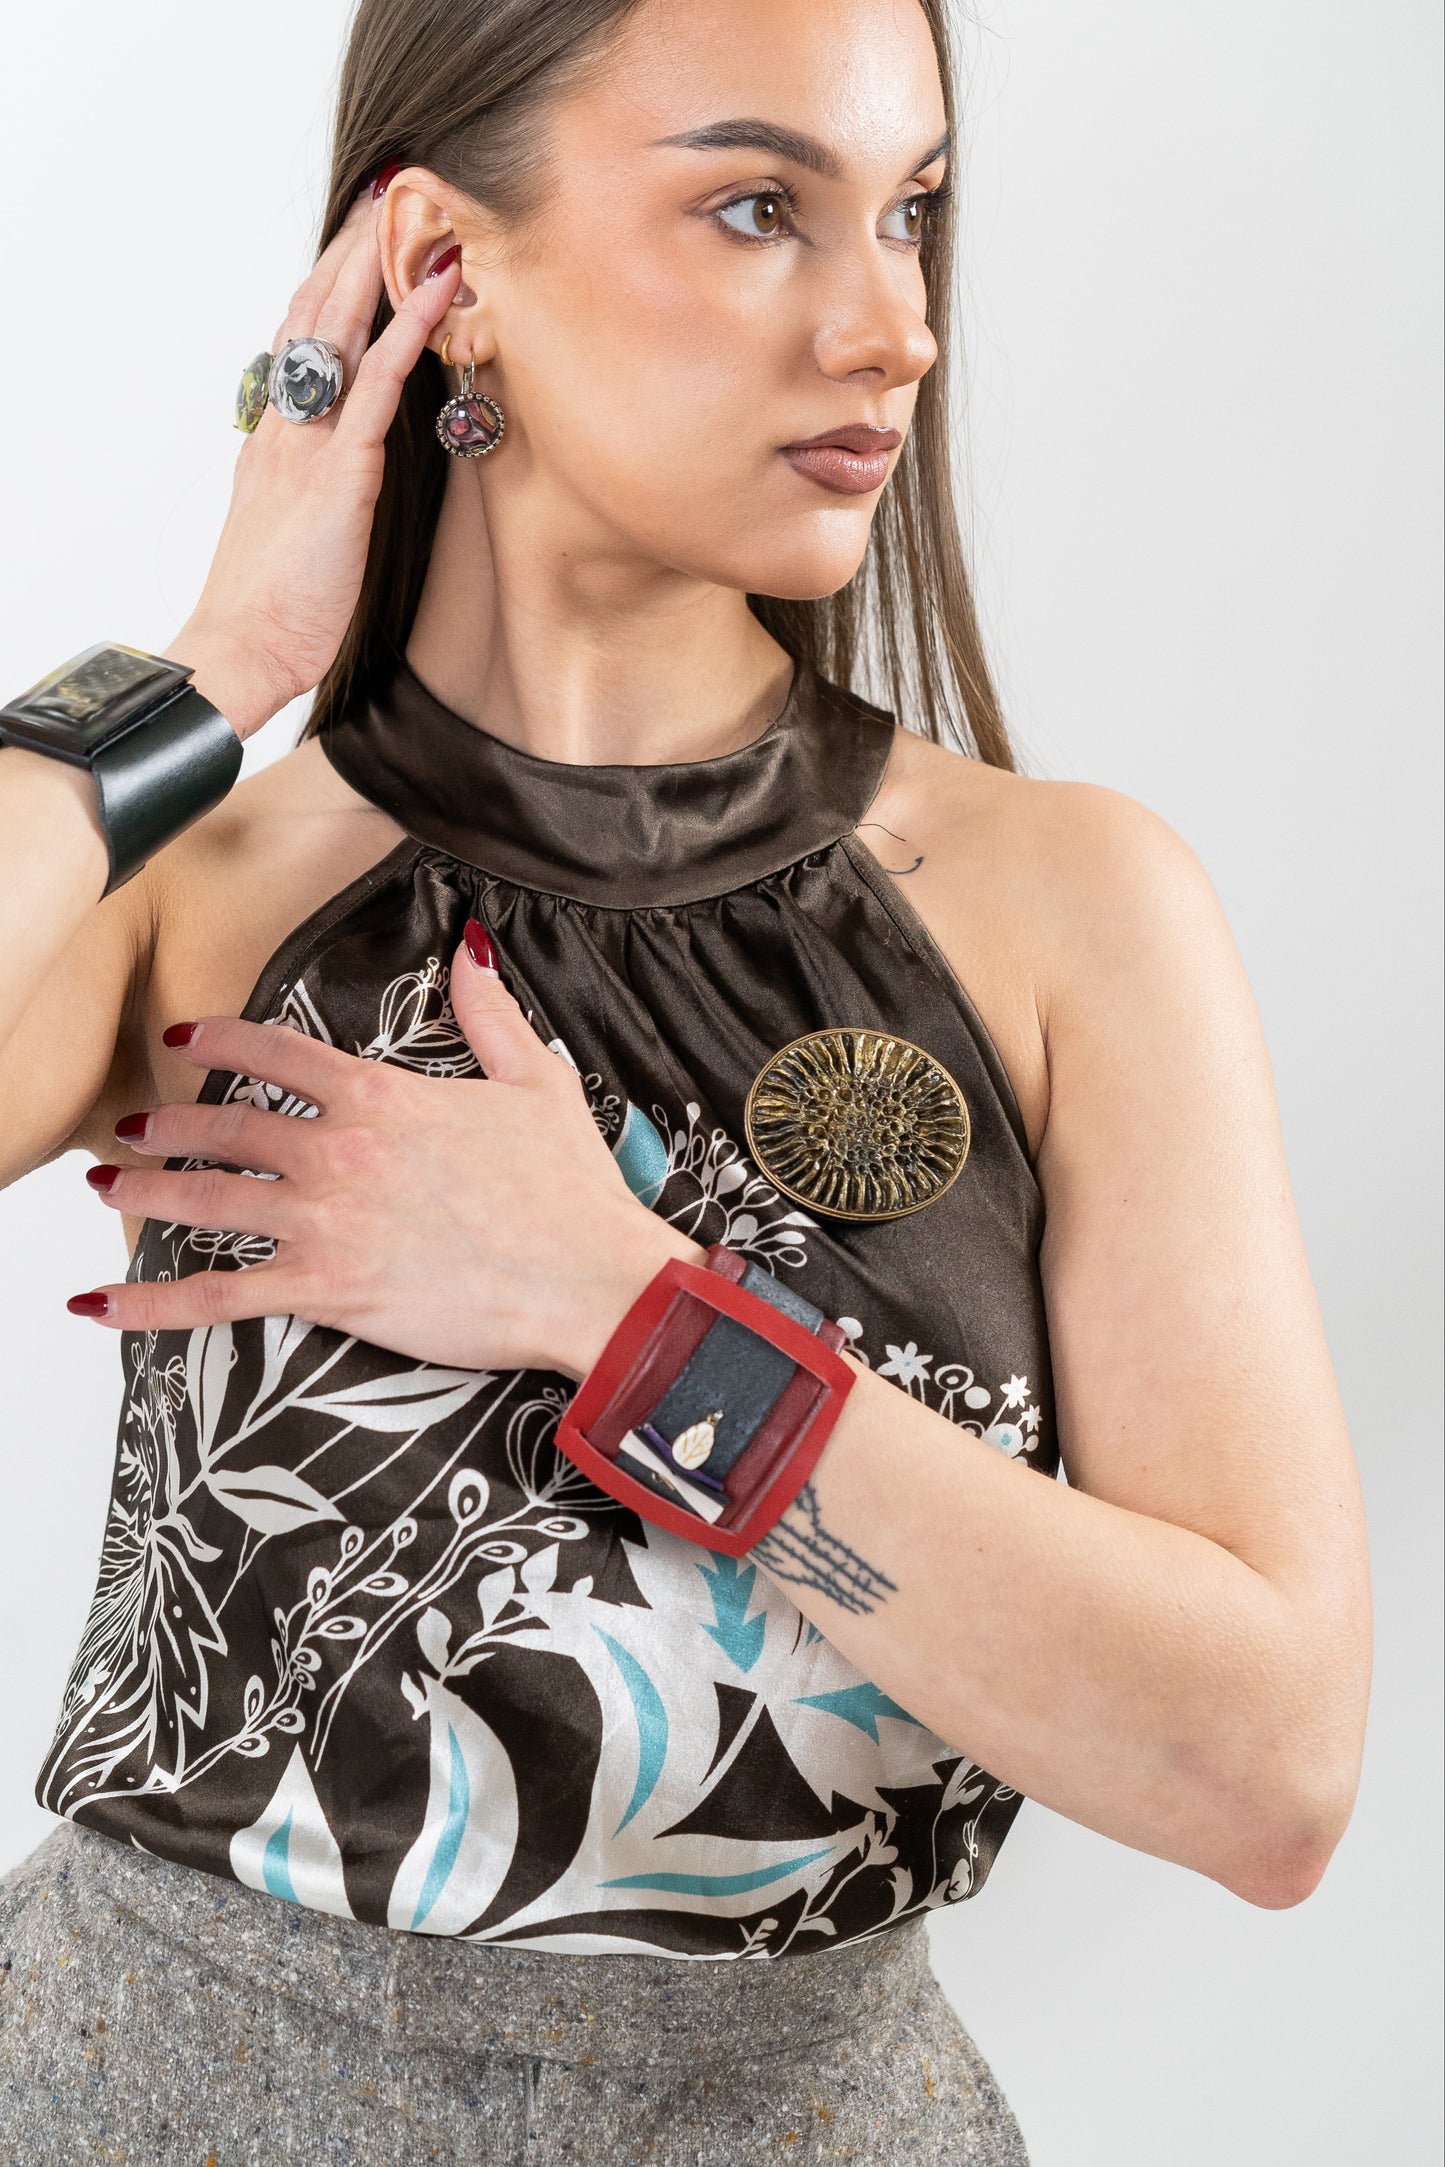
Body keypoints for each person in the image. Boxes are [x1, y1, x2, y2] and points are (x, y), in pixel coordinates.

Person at [0, 0, 1373, 2159]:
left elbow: (1268, 1774)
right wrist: (213, 669)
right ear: (443, 267)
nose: (894, 326)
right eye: (761, 208)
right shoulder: (205, 881)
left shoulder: (1062, 909)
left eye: (912, 214)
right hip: (153, 2094)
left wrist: (619, 1309)